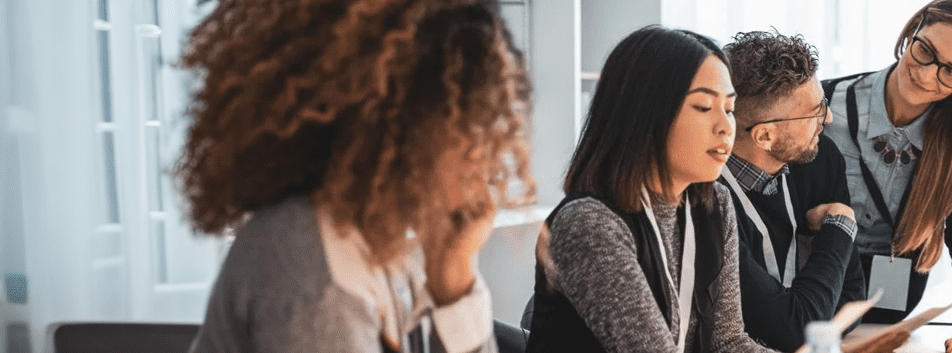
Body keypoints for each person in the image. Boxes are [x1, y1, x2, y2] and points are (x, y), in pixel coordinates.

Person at [179, 0, 532, 352]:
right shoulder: (313, 270)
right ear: (397, 119)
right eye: (468, 120)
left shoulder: (383, 249)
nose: (485, 150)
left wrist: (453, 282)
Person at [525, 26, 775, 353]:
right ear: (647, 111)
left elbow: (728, 342)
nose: (726, 126)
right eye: (703, 106)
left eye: (729, 109)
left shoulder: (715, 204)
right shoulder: (588, 224)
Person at [819, 0, 952, 351]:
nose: (926, 75)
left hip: (891, 301)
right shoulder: (823, 105)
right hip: (816, 290)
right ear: (912, 31)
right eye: (925, 50)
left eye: (951, 72)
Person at [719, 31, 865, 351]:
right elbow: (797, 331)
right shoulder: (711, 203)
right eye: (814, 111)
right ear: (765, 136)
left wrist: (798, 316)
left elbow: (852, 296)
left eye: (823, 102)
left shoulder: (819, 159)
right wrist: (837, 227)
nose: (826, 118)